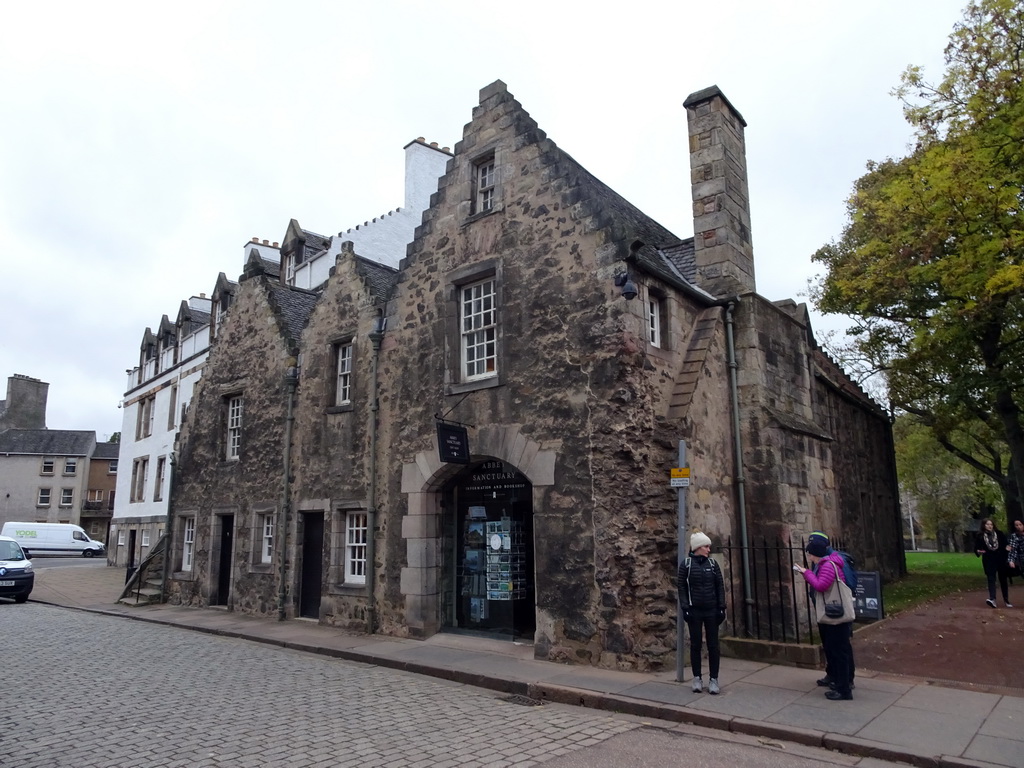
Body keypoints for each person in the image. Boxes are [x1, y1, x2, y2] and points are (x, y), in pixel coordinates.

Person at [795, 538, 853, 701]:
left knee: (839, 652)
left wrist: (806, 573)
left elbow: (821, 585)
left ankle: (844, 689)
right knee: (836, 651)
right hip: (834, 614)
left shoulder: (827, 565)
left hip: (836, 615)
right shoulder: (826, 564)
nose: (810, 556)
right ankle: (840, 684)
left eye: (810, 553)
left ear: (816, 553)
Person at [677, 532, 726, 695]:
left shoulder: (712, 564)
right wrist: (685, 607)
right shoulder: (687, 565)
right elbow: (682, 587)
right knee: (696, 644)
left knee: (713, 645)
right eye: (706, 546)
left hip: (711, 609)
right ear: (697, 547)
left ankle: (714, 679)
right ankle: (697, 677)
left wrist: (721, 607)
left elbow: (720, 586)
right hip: (695, 609)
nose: (708, 549)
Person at [975, 518, 1012, 608]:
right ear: (984, 525)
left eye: (991, 524)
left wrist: (1007, 549)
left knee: (1003, 579)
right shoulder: (980, 536)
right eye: (987, 524)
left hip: (1001, 559)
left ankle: (1006, 599)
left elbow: (1006, 544)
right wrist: (979, 551)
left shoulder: (999, 534)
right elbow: (976, 548)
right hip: (989, 560)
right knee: (991, 579)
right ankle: (992, 599)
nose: (989, 526)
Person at [1007, 519, 1024, 586]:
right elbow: (1012, 549)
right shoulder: (1014, 536)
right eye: (1016, 525)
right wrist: (1011, 560)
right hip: (1022, 559)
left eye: (1020, 525)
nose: (1019, 526)